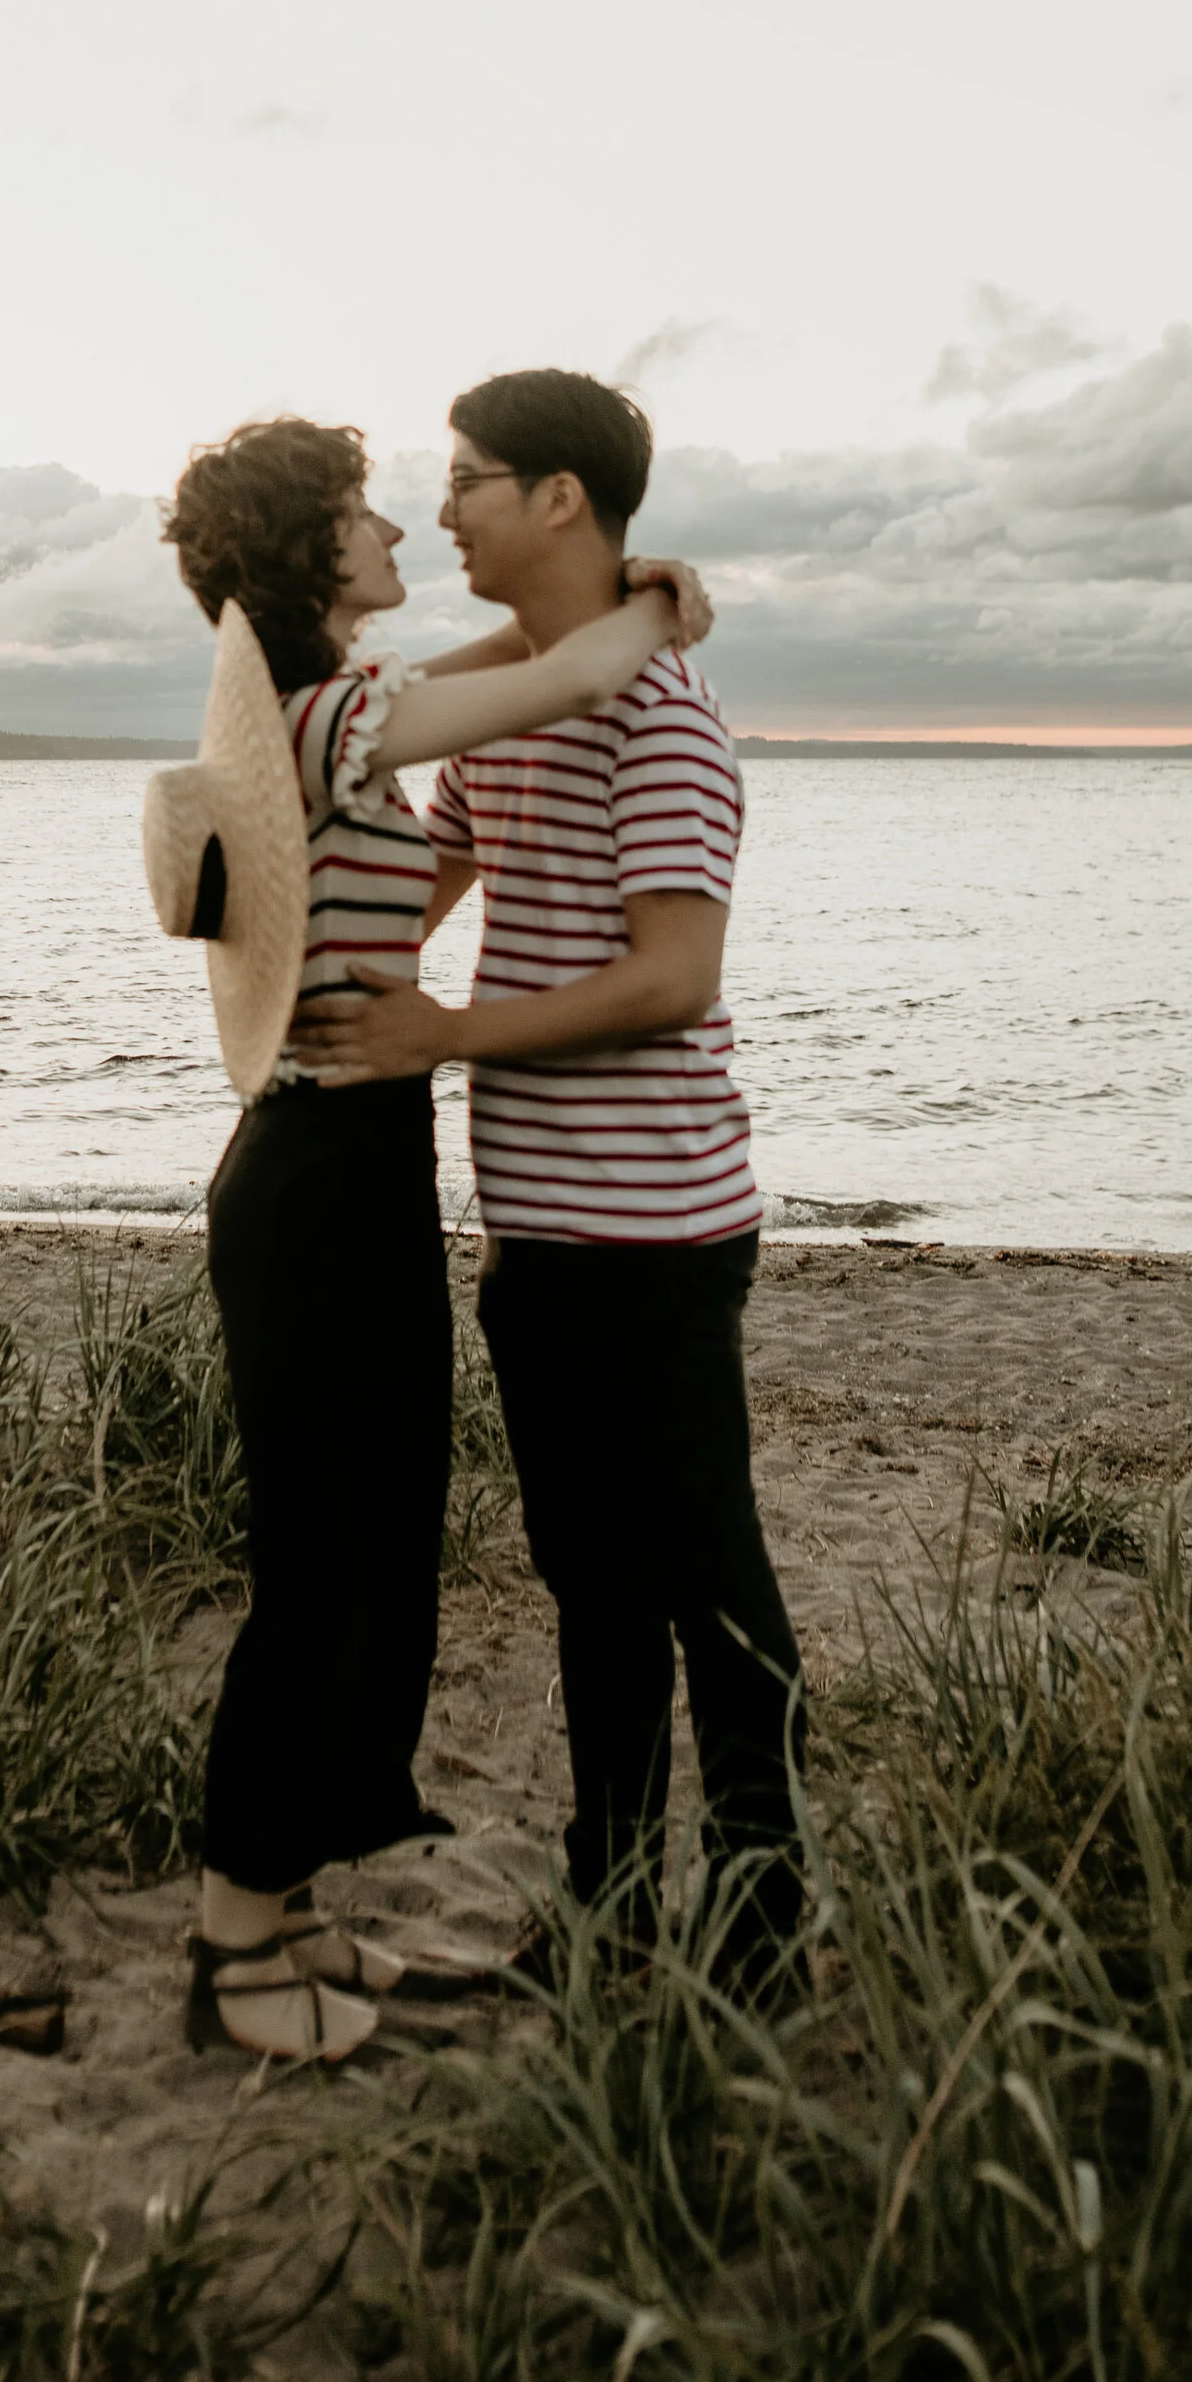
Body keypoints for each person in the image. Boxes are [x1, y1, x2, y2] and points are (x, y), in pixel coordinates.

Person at [152, 414, 713, 2065]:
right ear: (313, 553)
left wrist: (587, 619)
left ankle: (298, 1906)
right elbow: (544, 687)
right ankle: (232, 1940)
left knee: (371, 1548)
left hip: (342, 1162)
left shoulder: (328, 714)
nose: (393, 522)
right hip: (326, 1179)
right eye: (359, 510)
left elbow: (491, 666)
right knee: (329, 1564)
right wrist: (653, 616)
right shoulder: (347, 720)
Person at [289, 368, 806, 1992]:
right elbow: (430, 863)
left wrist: (443, 1032)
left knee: (711, 1586)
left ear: (561, 499)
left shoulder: (659, 722)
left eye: (469, 480)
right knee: (591, 1587)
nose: (442, 510)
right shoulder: (527, 710)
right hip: (537, 1229)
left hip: (653, 1229)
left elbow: (672, 980)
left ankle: (765, 1932)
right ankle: (605, 1916)